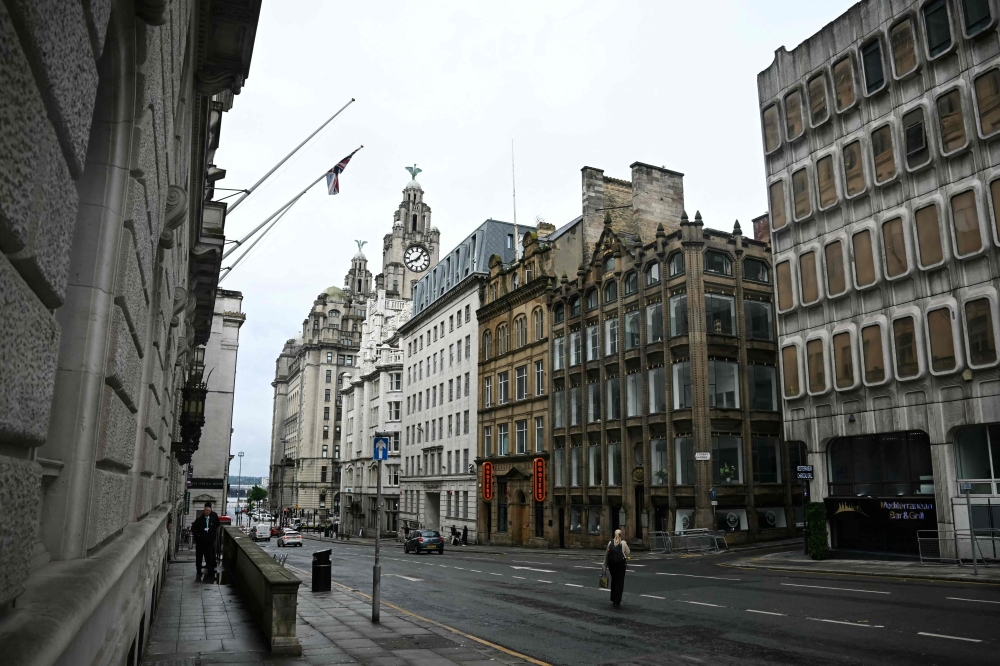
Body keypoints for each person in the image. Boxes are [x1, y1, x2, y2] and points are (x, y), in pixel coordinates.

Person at [603, 529, 630, 607]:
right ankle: (617, 601)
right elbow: (628, 552)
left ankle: (613, 598)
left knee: (614, 580)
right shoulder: (623, 543)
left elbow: (606, 555)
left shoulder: (610, 543)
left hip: (611, 565)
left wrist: (604, 565)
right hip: (620, 565)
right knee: (619, 582)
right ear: (621, 535)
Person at [192, 502, 221, 574]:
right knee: (199, 556)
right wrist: (198, 536)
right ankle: (198, 569)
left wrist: (212, 533)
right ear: (204, 510)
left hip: (210, 541)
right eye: (206, 510)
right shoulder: (199, 519)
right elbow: (193, 528)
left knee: (210, 555)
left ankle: (210, 569)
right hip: (201, 541)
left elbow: (217, 524)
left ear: (210, 510)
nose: (207, 512)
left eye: (209, 511)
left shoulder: (213, 518)